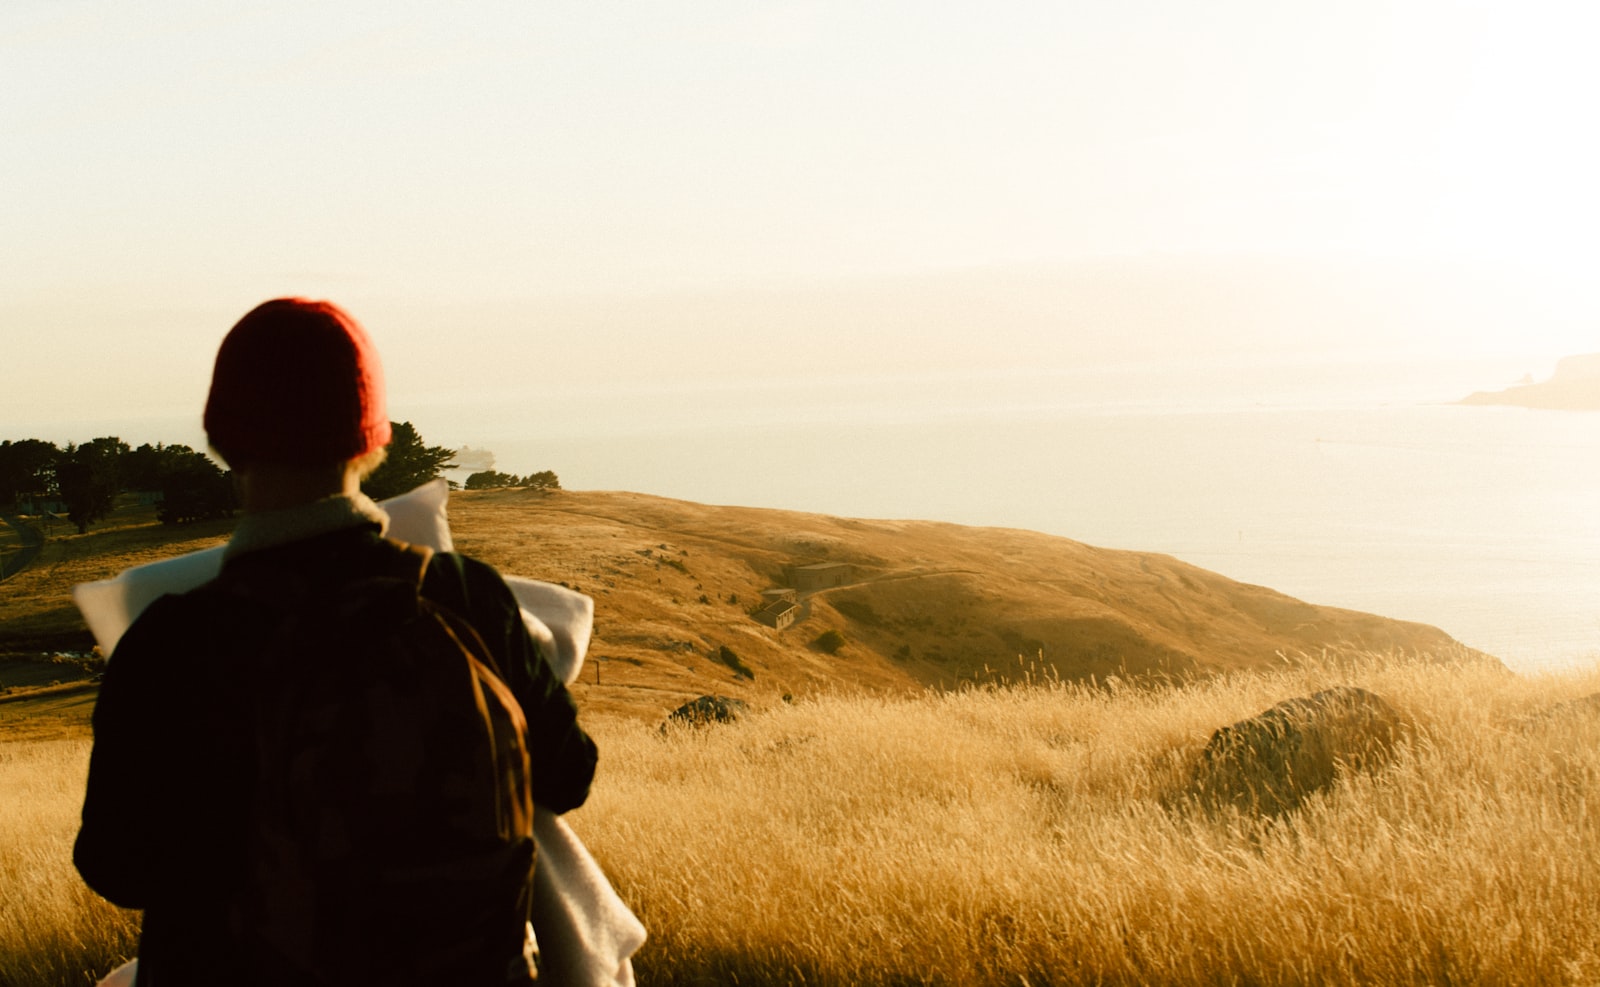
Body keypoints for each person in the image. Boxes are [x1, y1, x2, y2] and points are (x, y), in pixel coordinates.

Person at [75, 298, 598, 985]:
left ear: (224, 441)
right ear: (371, 441)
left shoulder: (173, 642)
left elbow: (118, 865)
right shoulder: (467, 599)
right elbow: (570, 773)